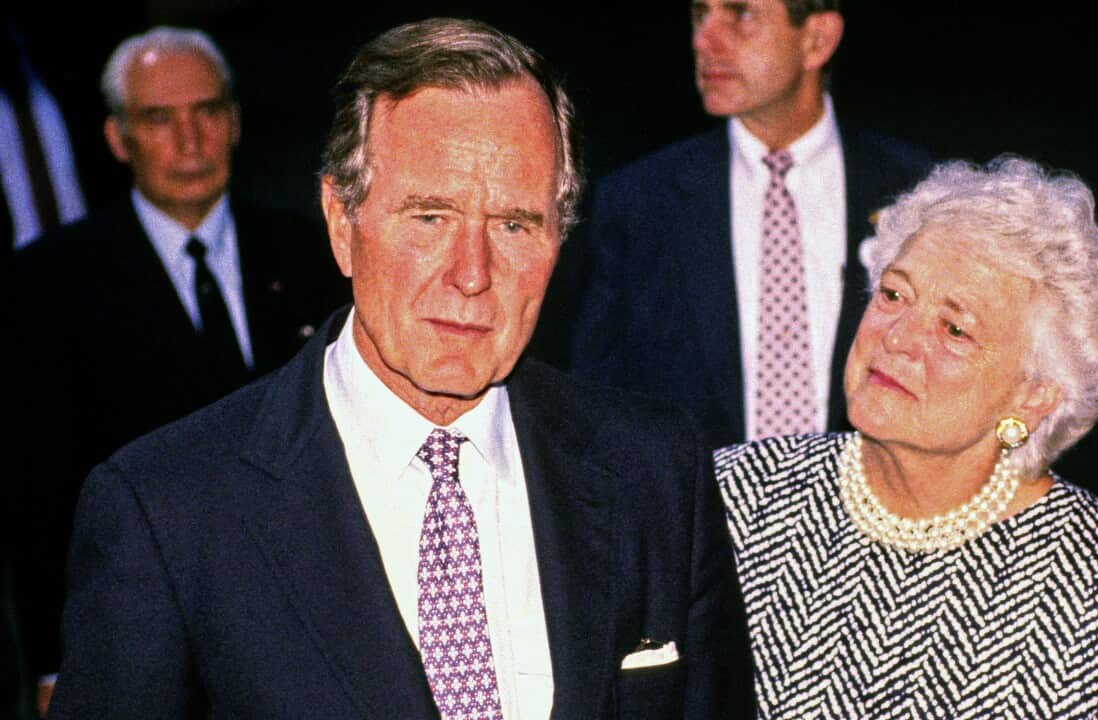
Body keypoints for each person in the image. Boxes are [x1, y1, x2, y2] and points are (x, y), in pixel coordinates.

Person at [46, 18, 752, 719]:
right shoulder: (167, 511)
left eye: (513, 225)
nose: (472, 275)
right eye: (429, 218)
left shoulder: (654, 472)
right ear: (340, 223)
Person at [715, 157, 1098, 718]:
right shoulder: (733, 498)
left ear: (1034, 396)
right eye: (894, 295)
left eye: (955, 330)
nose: (898, 338)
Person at [10, 25, 348, 714]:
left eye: (207, 112)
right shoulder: (51, 284)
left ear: (235, 122)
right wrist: (53, 662)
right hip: (150, 627)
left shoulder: (317, 252)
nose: (189, 141)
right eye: (159, 120)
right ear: (116, 138)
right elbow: (39, 488)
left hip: (317, 612)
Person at [561, 0, 930, 448]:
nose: (705, 41)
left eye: (741, 14)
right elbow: (593, 399)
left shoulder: (919, 192)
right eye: (700, 15)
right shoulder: (639, 202)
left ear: (817, 39)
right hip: (698, 508)